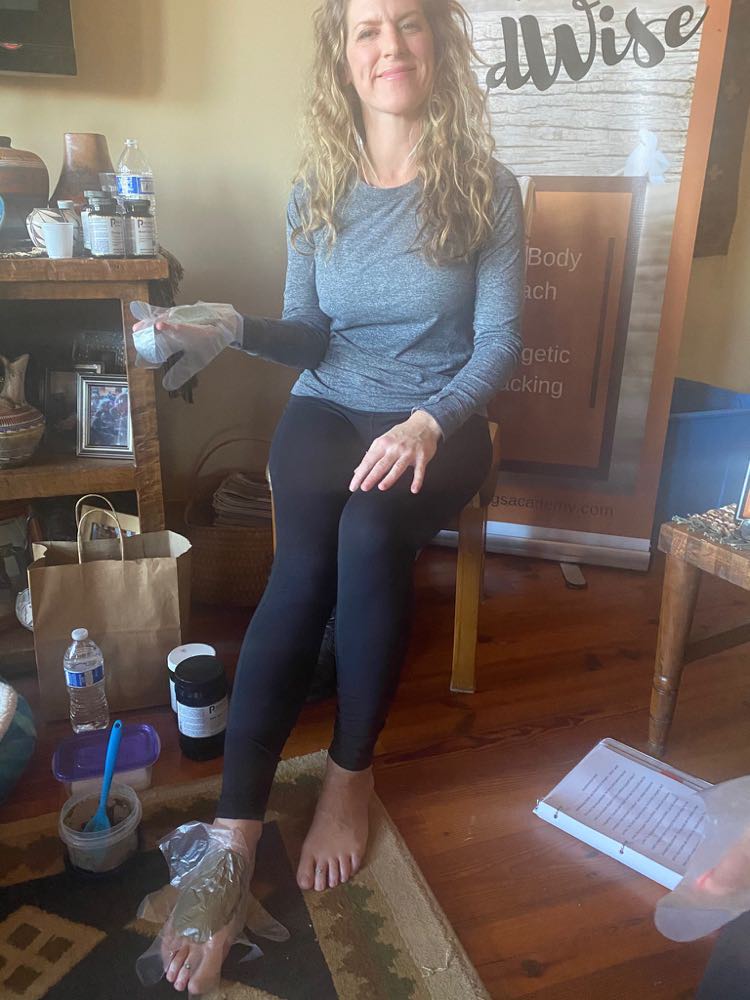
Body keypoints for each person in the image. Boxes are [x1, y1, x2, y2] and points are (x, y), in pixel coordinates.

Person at [141, 0, 524, 991]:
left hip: (442, 417)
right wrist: (233, 326)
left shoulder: (487, 186)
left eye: (408, 22)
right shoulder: (316, 187)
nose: (389, 43)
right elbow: (311, 334)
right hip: (332, 400)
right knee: (303, 564)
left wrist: (430, 421)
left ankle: (350, 776)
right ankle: (232, 838)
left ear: (438, 40)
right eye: (366, 28)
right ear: (343, 58)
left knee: (367, 534)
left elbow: (498, 345)